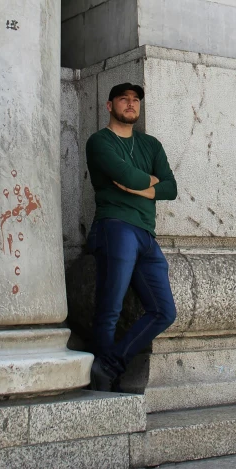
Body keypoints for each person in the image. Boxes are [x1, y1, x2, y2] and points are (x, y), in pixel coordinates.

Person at [85, 82, 177, 391]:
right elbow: (125, 176)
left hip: (147, 236)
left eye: (135, 99)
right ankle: (101, 383)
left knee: (164, 311)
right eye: (123, 99)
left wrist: (140, 184)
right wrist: (146, 183)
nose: (130, 103)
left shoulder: (150, 145)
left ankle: (108, 365)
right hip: (115, 227)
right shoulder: (100, 141)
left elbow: (171, 188)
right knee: (110, 307)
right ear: (109, 105)